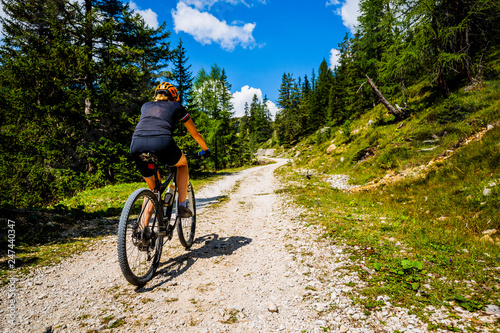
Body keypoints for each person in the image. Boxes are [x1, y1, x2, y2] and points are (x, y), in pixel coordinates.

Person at [130, 82, 210, 225]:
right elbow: (196, 134)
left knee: (153, 188)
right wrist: (205, 149)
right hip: (162, 143)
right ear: (174, 97)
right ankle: (182, 206)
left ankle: (142, 231)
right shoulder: (177, 106)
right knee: (182, 164)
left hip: (136, 144)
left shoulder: (145, 106)